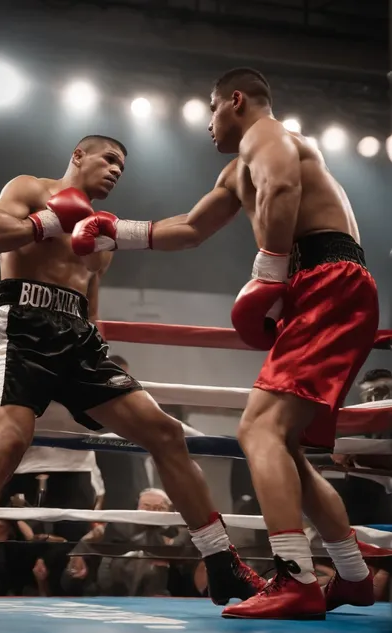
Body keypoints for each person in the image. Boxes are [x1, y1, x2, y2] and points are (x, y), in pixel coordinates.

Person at [70, 71, 380, 620]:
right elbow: (189, 227)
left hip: (326, 279)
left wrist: (270, 273)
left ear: (236, 102)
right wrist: (116, 230)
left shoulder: (266, 134)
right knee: (281, 445)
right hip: (325, 285)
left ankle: (295, 579)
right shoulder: (240, 169)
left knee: (257, 429)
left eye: (212, 110)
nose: (209, 125)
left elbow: (282, 189)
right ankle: (353, 575)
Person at [0, 134, 264, 618]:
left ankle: (220, 559)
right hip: (22, 327)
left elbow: (91, 305)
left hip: (80, 340)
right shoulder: (31, 188)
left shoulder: (104, 233)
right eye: (109, 158)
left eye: (122, 165)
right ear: (78, 155)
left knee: (165, 433)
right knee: (8, 445)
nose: (116, 169)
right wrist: (45, 222)